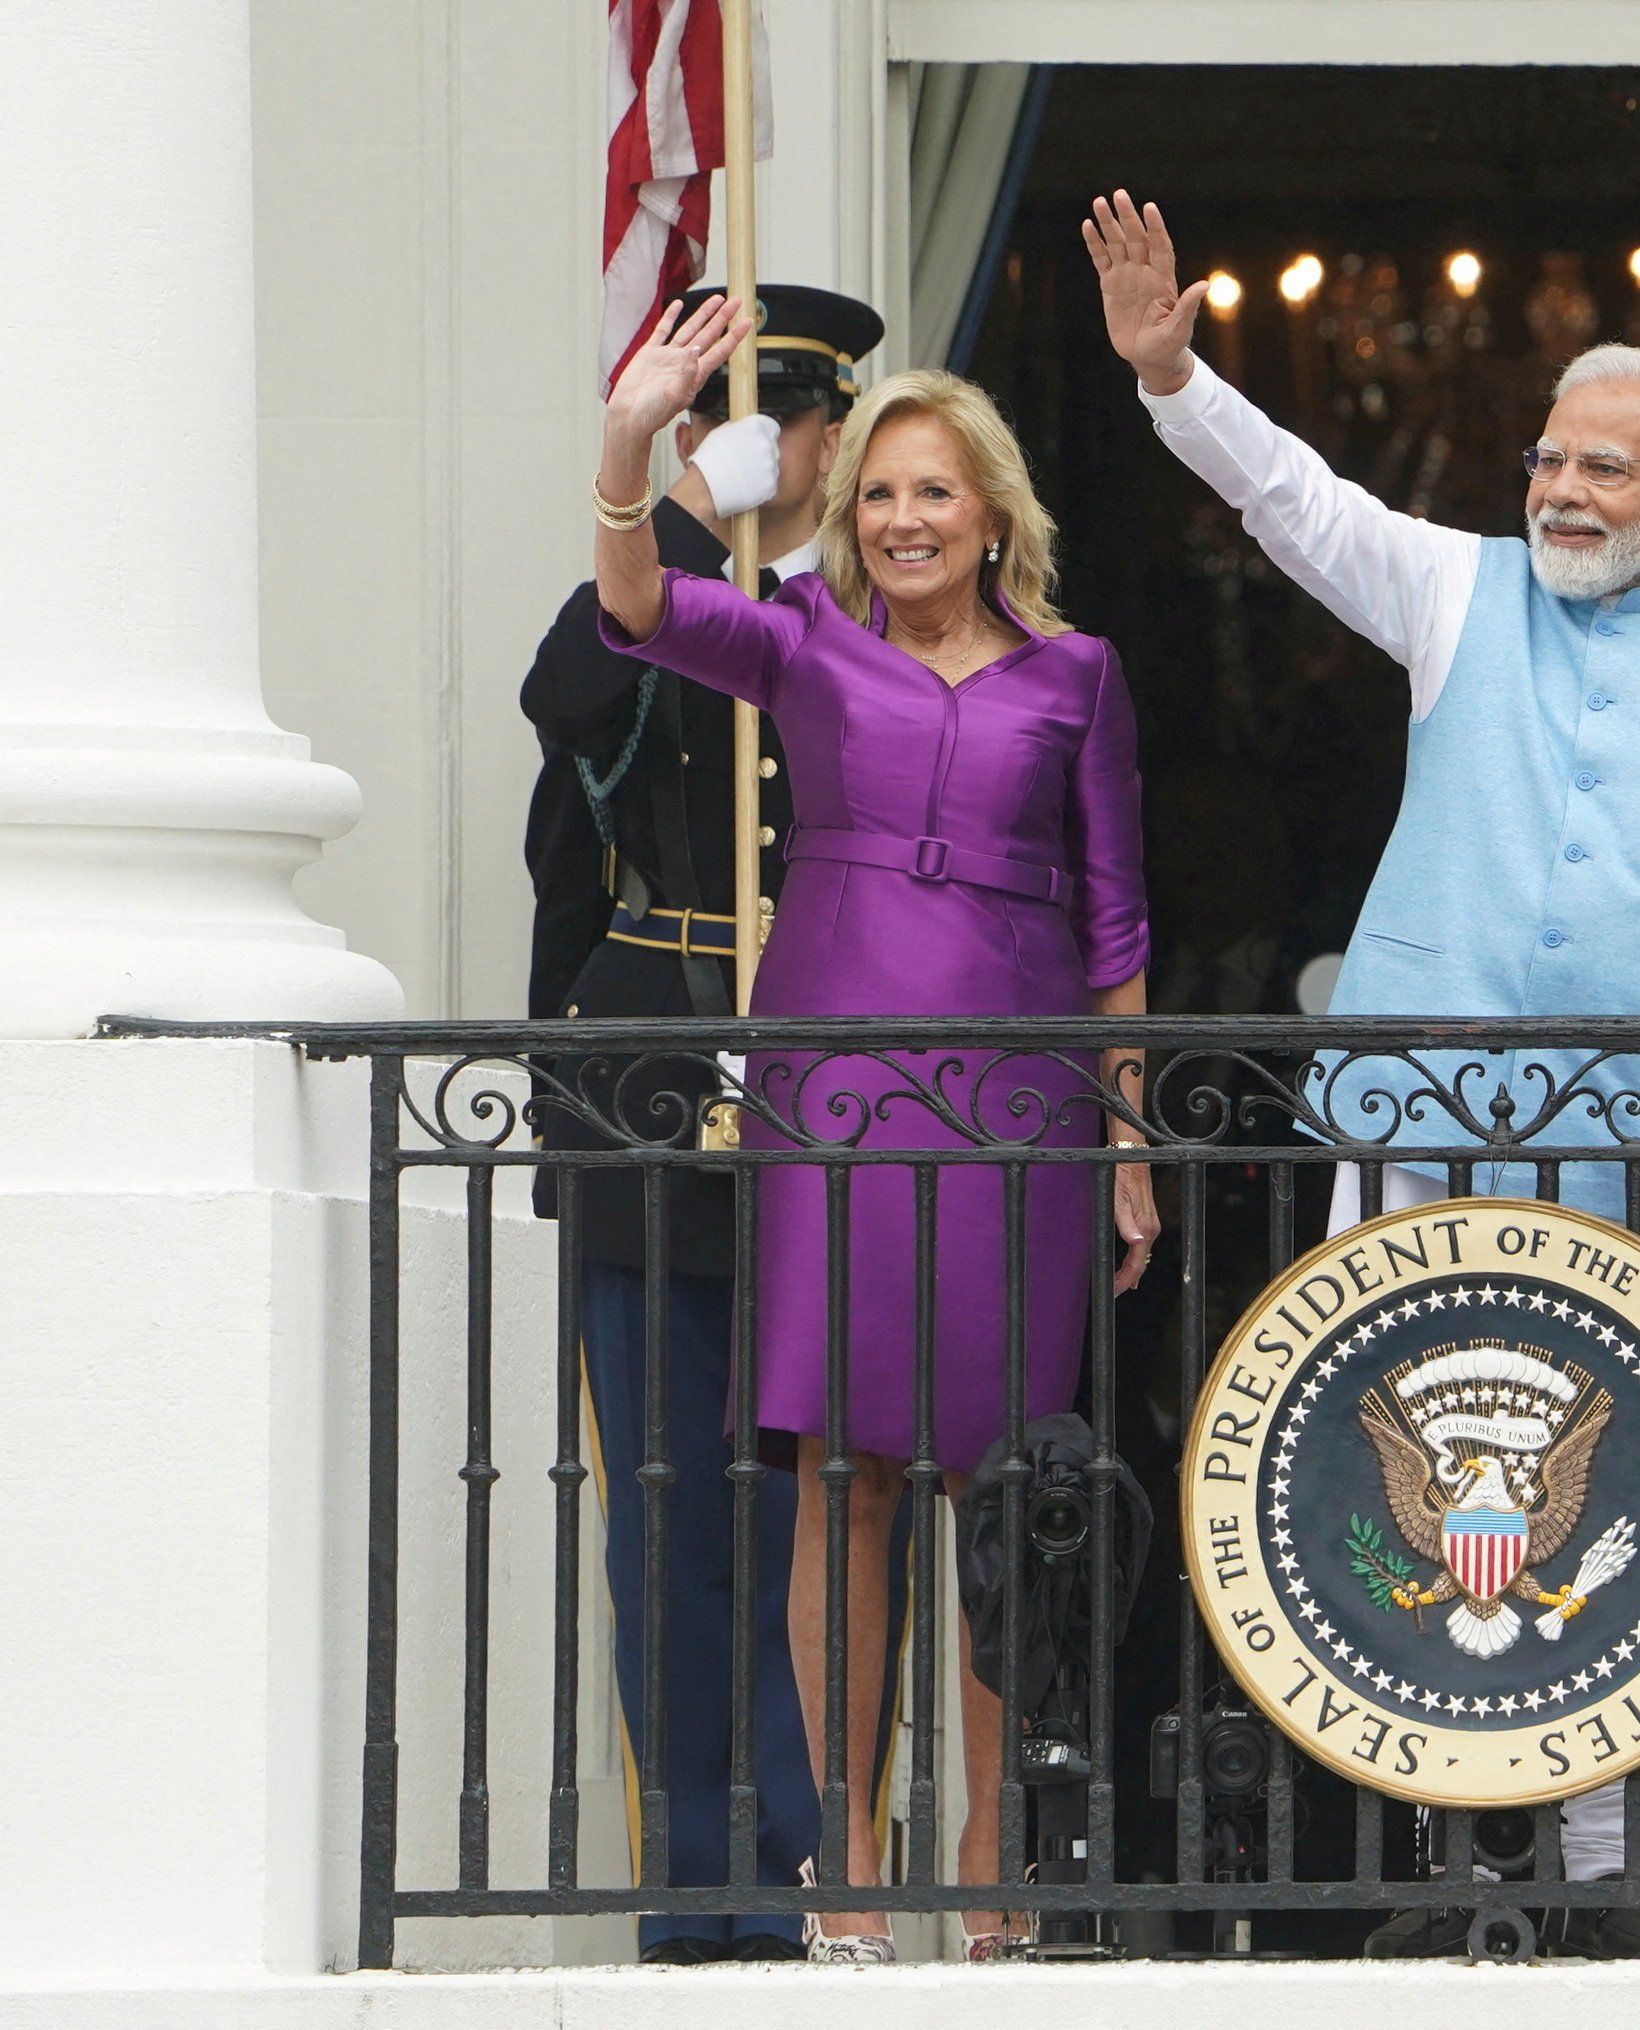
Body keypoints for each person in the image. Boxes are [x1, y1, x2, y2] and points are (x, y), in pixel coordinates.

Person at [1084, 190, 1640, 1957]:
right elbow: (1297, 498)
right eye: (1550, 460)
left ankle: (1600, 1892)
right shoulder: (1455, 590)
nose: (1566, 493)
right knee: (1415, 1498)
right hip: (1425, 1149)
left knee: (1635, 1522)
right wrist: (1169, 377)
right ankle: (1451, 1873)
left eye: (1607, 468)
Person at [589, 292, 1159, 1963]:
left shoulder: (1080, 675)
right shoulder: (796, 639)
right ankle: (839, 1865)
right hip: (832, 1089)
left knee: (1002, 1486)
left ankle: (992, 1862)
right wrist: (639, 452)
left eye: (936, 494)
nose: (905, 521)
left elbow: (1119, 925)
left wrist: (1126, 1141)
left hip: (1021, 1101)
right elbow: (630, 607)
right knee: (839, 1475)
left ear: (993, 516)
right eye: (882, 495)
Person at [516, 279, 879, 1964]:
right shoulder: (652, 595)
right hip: (660, 1080)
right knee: (674, 1498)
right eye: (761, 429)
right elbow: (562, 714)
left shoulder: (883, 608)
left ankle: (833, 1858)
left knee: (826, 1496)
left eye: (799, 427)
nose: (791, 455)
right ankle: (710, 1879)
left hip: (846, 1090)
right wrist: (664, 502)